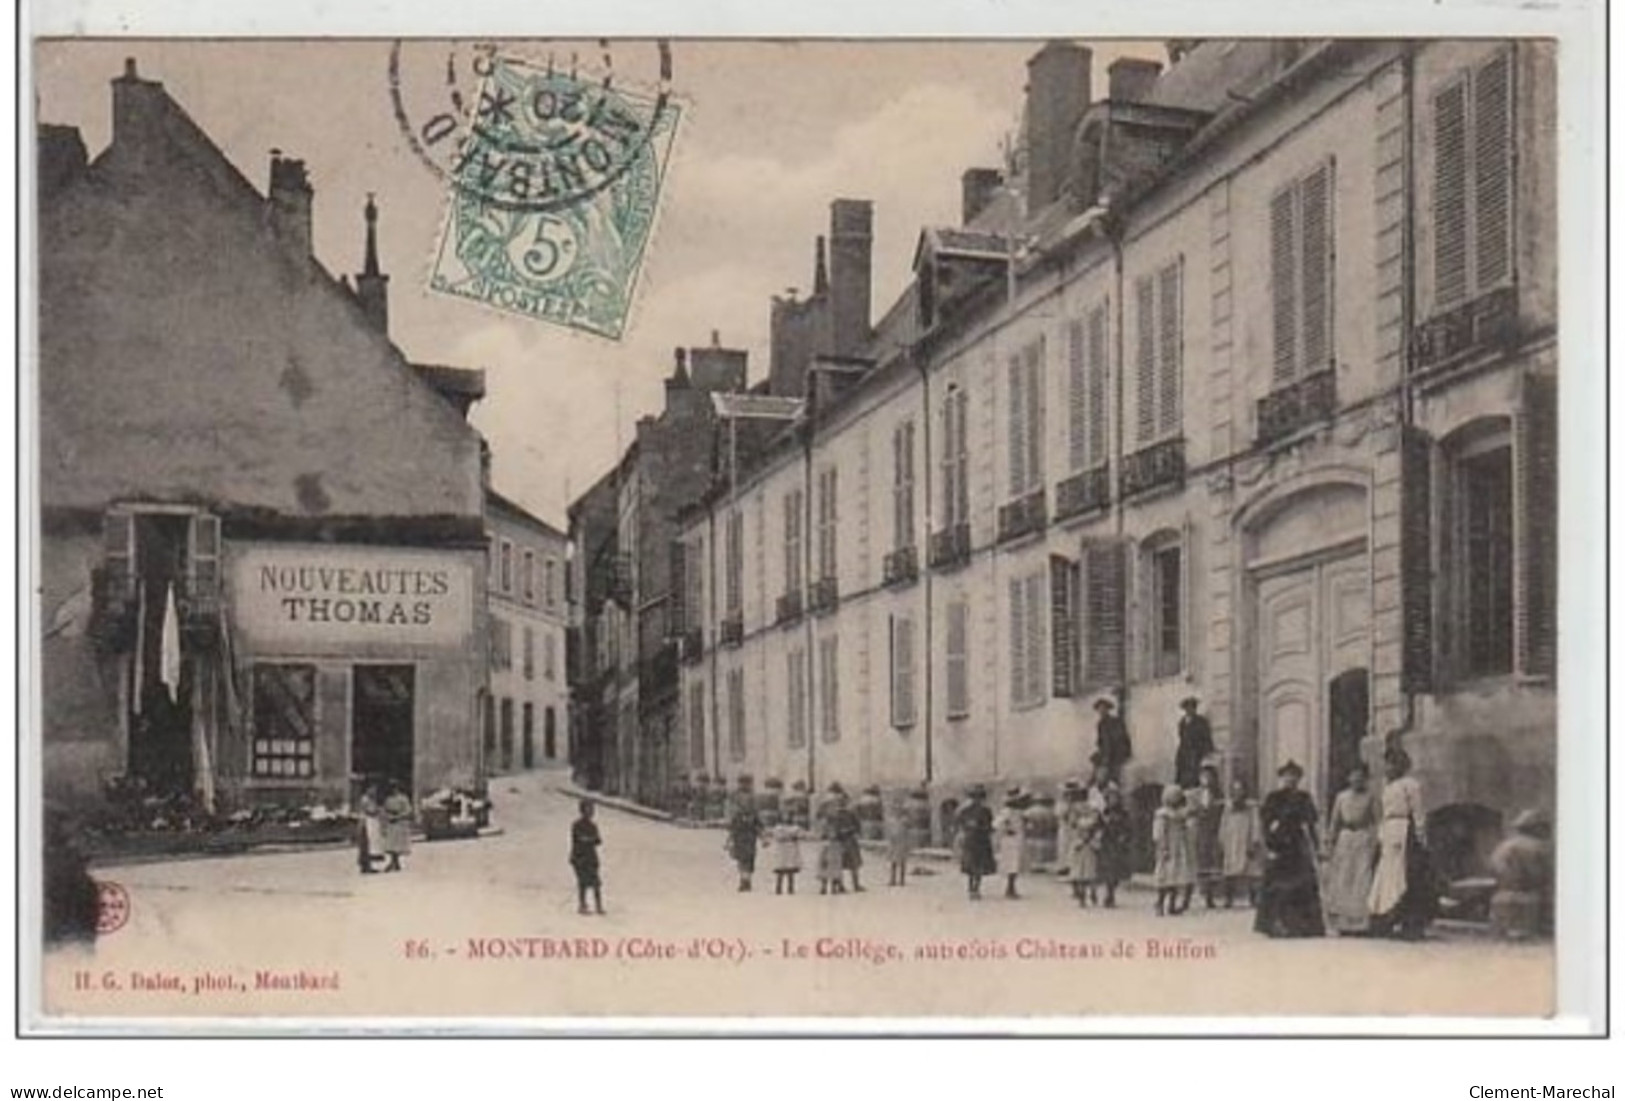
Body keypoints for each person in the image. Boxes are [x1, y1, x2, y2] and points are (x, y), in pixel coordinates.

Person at [1368, 746, 1435, 941]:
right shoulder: (1387, 786)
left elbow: (1418, 811)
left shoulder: (1410, 784)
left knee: (1406, 875)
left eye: (1393, 764)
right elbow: (1384, 813)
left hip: (1405, 831)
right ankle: (1387, 919)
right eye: (1387, 764)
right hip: (1389, 831)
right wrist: (1381, 835)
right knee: (1386, 875)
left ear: (1402, 766)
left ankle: (1411, 923)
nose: (1389, 768)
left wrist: (1421, 835)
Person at [1254, 761, 1324, 938]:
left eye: (1294, 776)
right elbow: (1265, 824)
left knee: (1303, 884)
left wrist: (1317, 847)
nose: (1290, 779)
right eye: (1287, 775)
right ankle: (1275, 924)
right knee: (1276, 886)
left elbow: (1310, 825)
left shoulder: (1304, 798)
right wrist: (1268, 845)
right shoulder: (1273, 798)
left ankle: (1303, 926)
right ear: (1281, 777)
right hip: (1279, 845)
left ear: (1299, 778)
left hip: (1297, 845)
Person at [1323, 764, 1381, 934]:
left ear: (1366, 779)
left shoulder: (1371, 797)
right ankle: (1342, 923)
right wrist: (1330, 841)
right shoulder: (1341, 797)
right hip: (1345, 838)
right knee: (1343, 877)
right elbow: (1334, 821)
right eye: (1353, 776)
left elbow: (1377, 821)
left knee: (1361, 877)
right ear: (1348, 778)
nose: (1357, 779)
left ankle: (1361, 923)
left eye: (1360, 776)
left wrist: (1376, 841)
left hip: (1363, 838)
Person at [1489, 809, 1553, 941]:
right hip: (1529, 902)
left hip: (1500, 899)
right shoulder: (1540, 847)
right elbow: (1544, 875)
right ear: (1537, 828)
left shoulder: (1502, 846)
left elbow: (1493, 870)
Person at [1218, 778, 1263, 907]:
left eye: (1240, 790)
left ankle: (1253, 898)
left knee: (1252, 870)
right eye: (1235, 790)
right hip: (1232, 840)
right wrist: (1222, 840)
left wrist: (1254, 841)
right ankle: (1229, 898)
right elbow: (1223, 824)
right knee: (1230, 870)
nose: (1238, 793)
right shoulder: (1228, 807)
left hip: (1246, 839)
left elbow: (1256, 824)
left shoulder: (1251, 807)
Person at [1152, 786, 1196, 915]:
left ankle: (1172, 904)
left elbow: (1186, 828)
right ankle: (1159, 903)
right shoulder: (1162, 815)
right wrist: (1163, 848)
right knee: (1165, 877)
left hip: (1179, 848)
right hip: (1167, 848)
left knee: (1176, 877)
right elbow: (1159, 834)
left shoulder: (1181, 814)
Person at [1190, 764, 1227, 908]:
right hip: (1200, 831)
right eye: (1203, 776)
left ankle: (1211, 895)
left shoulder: (1218, 794)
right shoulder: (1194, 794)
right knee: (1200, 860)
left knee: (1213, 862)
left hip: (1214, 831)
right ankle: (1201, 890)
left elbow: (1221, 812)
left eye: (1209, 776)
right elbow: (1191, 810)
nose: (1206, 779)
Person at [955, 784, 997, 900]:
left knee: (972, 865)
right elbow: (989, 825)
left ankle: (973, 888)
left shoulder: (965, 810)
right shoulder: (984, 810)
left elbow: (959, 822)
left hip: (973, 839)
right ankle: (975, 888)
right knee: (976, 866)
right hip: (979, 839)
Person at [1095, 783, 1132, 908]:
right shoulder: (1103, 813)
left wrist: (1124, 837)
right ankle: (1106, 893)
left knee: (1115, 871)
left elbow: (1128, 828)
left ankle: (1111, 892)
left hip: (1117, 845)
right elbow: (1098, 827)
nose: (1112, 800)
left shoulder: (1123, 813)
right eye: (1109, 798)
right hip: (1106, 844)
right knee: (1106, 870)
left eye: (1114, 797)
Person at [993, 788, 1032, 899]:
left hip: (1018, 839)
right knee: (1011, 863)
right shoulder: (1006, 812)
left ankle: (1011, 887)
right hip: (1009, 840)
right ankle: (1010, 888)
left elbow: (1024, 824)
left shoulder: (1019, 813)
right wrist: (1007, 829)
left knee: (1016, 863)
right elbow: (996, 824)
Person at [569, 799, 605, 914]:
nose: (590, 812)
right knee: (583, 882)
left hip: (591, 857)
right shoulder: (576, 825)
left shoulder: (593, 826)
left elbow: (598, 840)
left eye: (592, 810)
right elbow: (578, 839)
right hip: (579, 857)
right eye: (588, 809)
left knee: (596, 883)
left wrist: (589, 840)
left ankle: (599, 906)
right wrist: (589, 840)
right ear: (582, 811)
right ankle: (582, 905)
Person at [1068, 792, 1104, 906]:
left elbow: (1099, 828)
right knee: (1080, 872)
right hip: (1080, 845)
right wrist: (1079, 838)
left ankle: (1092, 892)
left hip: (1090, 846)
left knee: (1090, 872)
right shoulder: (1075, 813)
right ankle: (1082, 895)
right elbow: (1072, 827)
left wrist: (1093, 839)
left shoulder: (1094, 812)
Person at [726, 789, 764, 892]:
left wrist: (763, 838)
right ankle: (745, 880)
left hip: (747, 840)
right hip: (744, 840)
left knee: (746, 861)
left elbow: (759, 827)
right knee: (744, 861)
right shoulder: (739, 816)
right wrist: (729, 841)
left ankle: (745, 880)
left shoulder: (747, 816)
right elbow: (732, 829)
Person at [1173, 697, 1215, 790]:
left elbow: (1207, 739)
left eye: (1192, 707)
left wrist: (1205, 755)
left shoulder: (1201, 722)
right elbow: (1182, 739)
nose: (1189, 710)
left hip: (1196, 755)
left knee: (1195, 779)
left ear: (1195, 708)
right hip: (1184, 755)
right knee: (1183, 779)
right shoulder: (1182, 723)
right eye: (1187, 708)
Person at [830, 790, 865, 892]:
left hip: (844, 840)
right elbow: (857, 826)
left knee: (848, 864)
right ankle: (848, 885)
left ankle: (852, 885)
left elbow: (857, 826)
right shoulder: (838, 814)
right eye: (839, 800)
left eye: (842, 800)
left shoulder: (841, 813)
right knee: (847, 864)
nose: (841, 802)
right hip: (844, 840)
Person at [1093, 699, 1133, 786]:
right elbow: (1101, 741)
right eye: (1099, 709)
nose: (1101, 711)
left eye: (1104, 709)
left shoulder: (1115, 722)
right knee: (1102, 781)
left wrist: (1124, 754)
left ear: (1108, 710)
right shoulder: (1100, 724)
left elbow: (1121, 738)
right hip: (1106, 757)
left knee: (1114, 781)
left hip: (1116, 757)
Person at [380, 783, 413, 873]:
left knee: (398, 844)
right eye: (392, 789)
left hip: (400, 823)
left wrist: (398, 816)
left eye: (395, 788)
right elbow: (384, 810)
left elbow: (408, 810)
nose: (393, 790)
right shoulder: (388, 799)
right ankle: (394, 862)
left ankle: (395, 862)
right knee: (391, 844)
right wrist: (387, 817)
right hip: (391, 823)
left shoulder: (403, 798)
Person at [883, 796, 913, 887]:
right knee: (893, 862)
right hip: (893, 842)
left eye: (899, 808)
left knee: (902, 861)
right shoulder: (891, 819)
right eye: (895, 808)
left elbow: (909, 827)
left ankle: (902, 880)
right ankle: (892, 879)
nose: (897, 809)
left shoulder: (905, 820)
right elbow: (889, 831)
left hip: (902, 842)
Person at [770, 817, 804, 896]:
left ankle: (790, 888)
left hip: (791, 850)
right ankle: (778, 888)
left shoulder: (795, 828)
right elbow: (777, 836)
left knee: (790, 870)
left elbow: (801, 835)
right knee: (780, 870)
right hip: (782, 850)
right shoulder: (778, 828)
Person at [355, 783, 384, 875]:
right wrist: (378, 810)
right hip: (365, 822)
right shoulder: (365, 799)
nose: (374, 791)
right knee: (366, 844)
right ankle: (365, 865)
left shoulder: (371, 799)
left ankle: (368, 865)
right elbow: (369, 811)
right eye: (372, 789)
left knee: (370, 845)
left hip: (370, 822)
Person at [816, 816, 846, 895]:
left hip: (834, 848)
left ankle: (832, 887)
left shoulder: (837, 832)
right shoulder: (827, 832)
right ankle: (825, 887)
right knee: (826, 867)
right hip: (829, 848)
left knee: (833, 868)